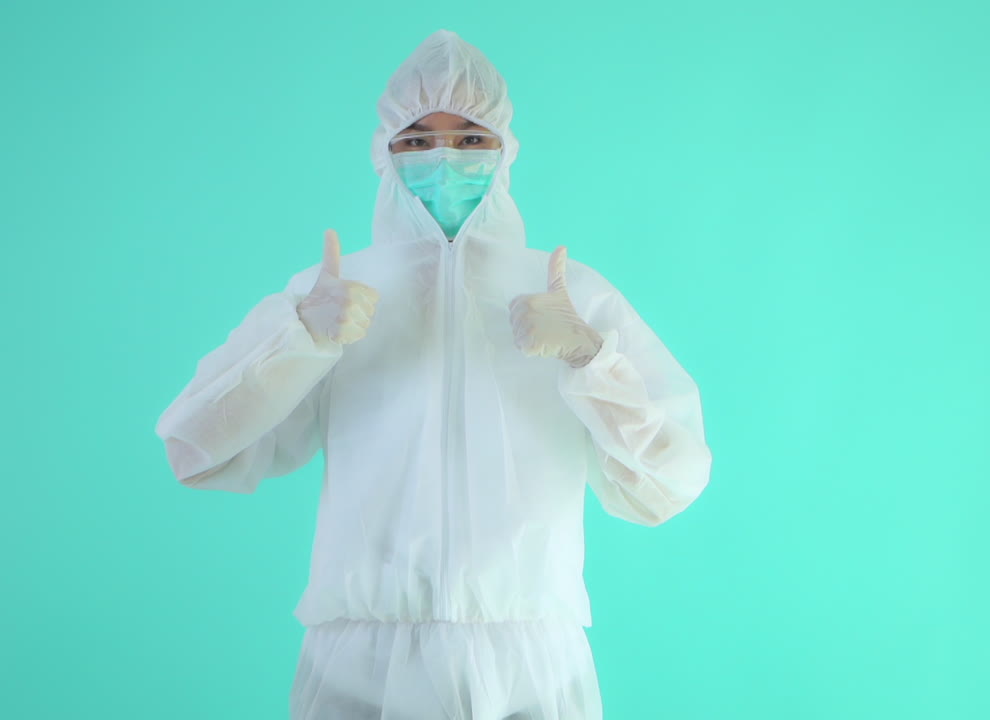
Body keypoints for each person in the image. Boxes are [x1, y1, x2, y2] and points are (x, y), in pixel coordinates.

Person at [154, 28, 712, 720]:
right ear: (384, 155)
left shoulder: (567, 296)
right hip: (359, 659)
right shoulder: (334, 293)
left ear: (506, 151)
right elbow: (195, 449)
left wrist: (591, 359)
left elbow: (671, 481)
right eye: (417, 140)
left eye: (471, 139)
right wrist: (298, 341)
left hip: (530, 658)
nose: (445, 158)